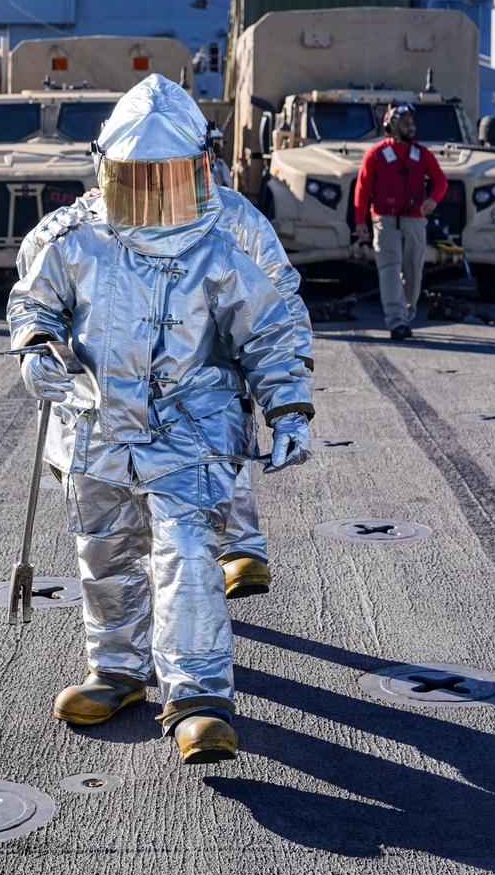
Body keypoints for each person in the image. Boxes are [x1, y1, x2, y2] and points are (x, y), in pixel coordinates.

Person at [7, 75, 313, 765]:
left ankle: (200, 697)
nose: (154, 193)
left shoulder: (220, 242)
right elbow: (34, 301)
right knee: (104, 554)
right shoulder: (74, 239)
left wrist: (289, 406)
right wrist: (33, 349)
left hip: (189, 429)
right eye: (139, 177)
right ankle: (117, 670)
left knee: (187, 556)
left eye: (167, 176)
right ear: (110, 168)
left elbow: (269, 329)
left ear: (197, 169)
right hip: (95, 427)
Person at [16, 148, 314, 605]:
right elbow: (35, 279)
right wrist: (39, 344)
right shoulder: (83, 223)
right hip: (114, 399)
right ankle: (222, 561)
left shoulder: (231, 214)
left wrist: (287, 392)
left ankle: (235, 551)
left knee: (214, 458)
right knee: (141, 506)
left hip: (209, 374)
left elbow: (276, 303)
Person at [353, 102, 448, 340]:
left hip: (415, 221)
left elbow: (440, 181)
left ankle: (407, 312)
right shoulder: (375, 154)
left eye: (412, 123)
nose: (411, 127)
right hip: (385, 221)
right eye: (405, 123)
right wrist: (360, 221)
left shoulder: (422, 154)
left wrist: (434, 200)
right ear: (392, 126)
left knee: (414, 270)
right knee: (389, 269)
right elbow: (362, 188)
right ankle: (396, 321)